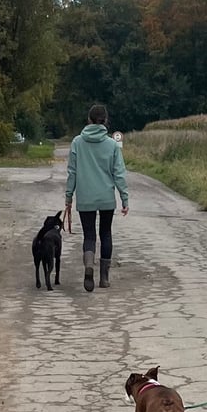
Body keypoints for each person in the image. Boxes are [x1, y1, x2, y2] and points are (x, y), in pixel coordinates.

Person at [64, 104, 129, 292]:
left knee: (89, 235)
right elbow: (119, 174)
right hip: (106, 197)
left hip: (85, 197)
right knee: (106, 233)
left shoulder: (77, 142)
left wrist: (69, 197)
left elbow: (72, 172)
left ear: (89, 120)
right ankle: (104, 278)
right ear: (105, 121)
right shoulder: (112, 145)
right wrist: (124, 199)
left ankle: (89, 265)